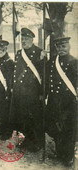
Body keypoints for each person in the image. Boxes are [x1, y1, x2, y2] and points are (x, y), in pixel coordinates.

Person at [10, 28, 47, 152]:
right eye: (22, 39)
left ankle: (37, 143)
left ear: (32, 39)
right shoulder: (19, 53)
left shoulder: (39, 53)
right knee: (23, 116)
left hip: (34, 92)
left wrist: (42, 92)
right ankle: (26, 140)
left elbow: (44, 75)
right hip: (20, 92)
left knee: (35, 118)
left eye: (26, 39)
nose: (23, 41)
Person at [46, 37, 77, 166]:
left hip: (68, 101)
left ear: (69, 46)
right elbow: (45, 75)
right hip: (54, 100)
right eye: (58, 47)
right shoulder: (53, 61)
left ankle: (68, 156)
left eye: (63, 46)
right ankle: (60, 152)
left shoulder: (74, 61)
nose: (61, 49)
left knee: (68, 128)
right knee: (56, 126)